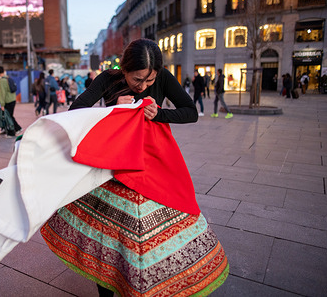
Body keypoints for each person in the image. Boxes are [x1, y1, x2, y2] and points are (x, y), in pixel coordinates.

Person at [40, 38, 228, 297]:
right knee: (108, 237)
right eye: (137, 79)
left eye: (149, 81)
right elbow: (76, 110)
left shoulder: (162, 77)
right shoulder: (107, 79)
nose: (143, 86)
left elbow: (190, 112)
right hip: (113, 166)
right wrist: (113, 109)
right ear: (124, 69)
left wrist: (159, 114)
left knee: (148, 240)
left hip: (152, 164)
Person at [0, 66, 22, 137]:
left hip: (8, 101)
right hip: (13, 100)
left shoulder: (2, 81)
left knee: (8, 117)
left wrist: (2, 104)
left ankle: (12, 132)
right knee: (10, 116)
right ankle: (17, 129)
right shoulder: (8, 78)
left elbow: (2, 94)